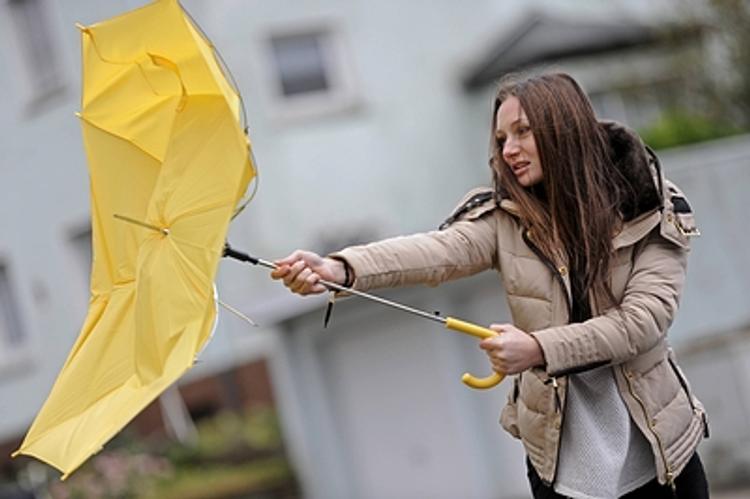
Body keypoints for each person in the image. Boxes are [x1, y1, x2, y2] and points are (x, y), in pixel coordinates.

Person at [270, 73, 709, 498]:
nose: (510, 150)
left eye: (523, 132)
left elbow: (642, 323)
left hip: (657, 452)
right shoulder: (504, 218)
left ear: (565, 129)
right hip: (561, 463)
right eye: (502, 139)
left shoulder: (648, 204)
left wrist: (537, 348)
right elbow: (436, 252)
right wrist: (340, 268)